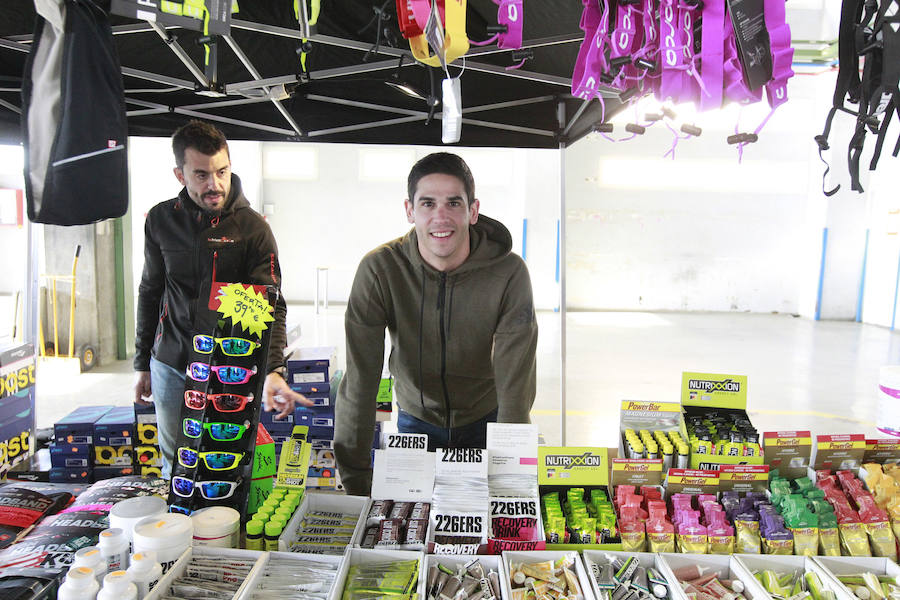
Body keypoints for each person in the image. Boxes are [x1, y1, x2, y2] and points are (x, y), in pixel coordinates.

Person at [335, 152, 538, 496]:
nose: (440, 217)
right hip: (415, 421)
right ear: (409, 210)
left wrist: (511, 484)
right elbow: (360, 381)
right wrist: (355, 480)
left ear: (473, 211)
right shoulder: (379, 271)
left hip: (485, 419)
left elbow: (515, 389)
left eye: (453, 203)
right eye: (427, 203)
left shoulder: (509, 273)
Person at [133, 120, 308, 478]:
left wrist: (273, 370)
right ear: (179, 174)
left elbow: (270, 305)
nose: (214, 185)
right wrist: (141, 363)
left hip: (229, 369)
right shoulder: (161, 220)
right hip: (170, 364)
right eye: (201, 175)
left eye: (222, 172)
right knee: (176, 464)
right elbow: (151, 291)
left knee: (224, 464)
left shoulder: (253, 228)